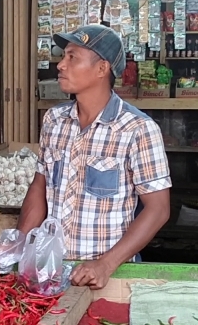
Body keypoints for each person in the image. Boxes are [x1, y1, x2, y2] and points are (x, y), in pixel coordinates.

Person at [16, 24, 171, 290]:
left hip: (109, 275)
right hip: (51, 269)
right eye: (63, 56)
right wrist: (20, 246)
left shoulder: (137, 129)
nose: (61, 65)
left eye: (72, 57)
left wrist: (106, 264)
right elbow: (40, 186)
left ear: (102, 69)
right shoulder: (54, 121)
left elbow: (158, 210)